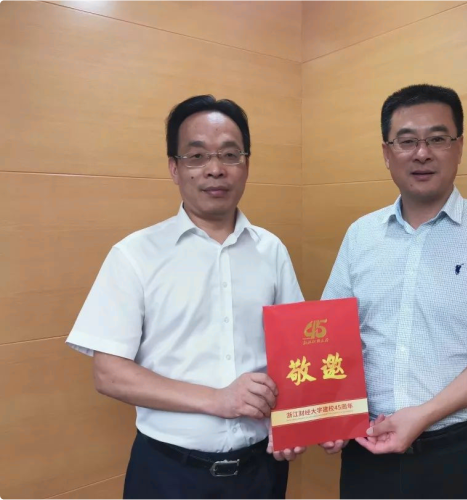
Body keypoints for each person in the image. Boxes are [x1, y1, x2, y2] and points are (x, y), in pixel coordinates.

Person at [319, 84, 467, 499]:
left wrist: (424, 415)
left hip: (455, 455)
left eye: (437, 139)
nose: (422, 153)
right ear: (387, 152)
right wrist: (329, 413)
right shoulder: (361, 235)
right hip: (365, 448)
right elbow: (331, 334)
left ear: (459, 147)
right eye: (406, 141)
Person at [65, 95, 306, 500]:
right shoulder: (134, 254)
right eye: (197, 156)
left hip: (261, 471)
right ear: (174, 168)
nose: (215, 169)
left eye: (230, 154)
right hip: (168, 473)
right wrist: (218, 399)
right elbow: (108, 373)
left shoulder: (271, 250)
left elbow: (298, 350)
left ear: (246, 165)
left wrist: (296, 422)